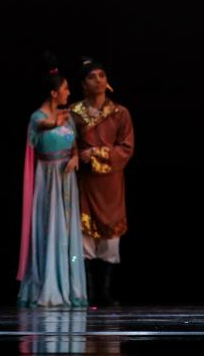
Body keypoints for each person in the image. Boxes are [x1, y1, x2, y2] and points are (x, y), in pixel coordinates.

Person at [17, 54, 88, 307]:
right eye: (65, 89)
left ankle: (70, 286)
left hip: (67, 181)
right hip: (48, 182)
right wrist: (53, 122)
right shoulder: (37, 118)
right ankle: (48, 284)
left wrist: (75, 157)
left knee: (68, 235)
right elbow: (42, 127)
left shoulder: (66, 116)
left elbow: (75, 144)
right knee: (51, 231)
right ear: (53, 93)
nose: (69, 92)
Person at [72, 56, 134, 306]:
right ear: (83, 84)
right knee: (84, 237)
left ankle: (105, 292)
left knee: (110, 240)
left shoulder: (120, 113)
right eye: (92, 77)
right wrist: (77, 155)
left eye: (102, 76)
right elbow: (67, 144)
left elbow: (126, 148)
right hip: (85, 182)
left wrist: (96, 153)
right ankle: (86, 292)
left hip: (110, 184)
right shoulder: (73, 113)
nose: (98, 80)